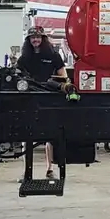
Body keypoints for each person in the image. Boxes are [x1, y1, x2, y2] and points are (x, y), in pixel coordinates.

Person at [16, 27, 69, 179]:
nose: (35, 40)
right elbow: (17, 73)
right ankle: (27, 172)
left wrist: (62, 85)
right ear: (29, 40)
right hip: (29, 98)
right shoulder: (25, 57)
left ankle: (50, 169)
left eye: (38, 37)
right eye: (32, 37)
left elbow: (62, 75)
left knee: (50, 136)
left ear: (43, 39)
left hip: (48, 97)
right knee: (26, 135)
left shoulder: (53, 55)